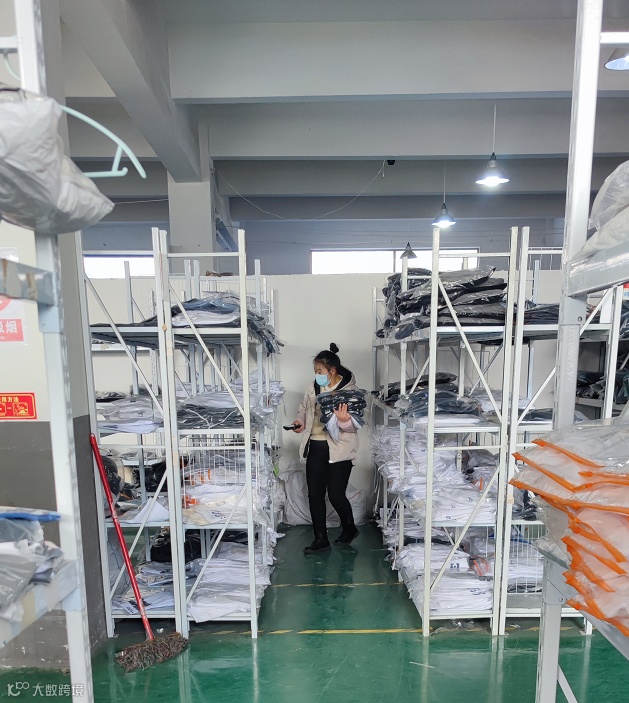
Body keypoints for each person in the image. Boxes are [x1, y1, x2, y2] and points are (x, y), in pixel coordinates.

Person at [290, 343, 360, 554]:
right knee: (315, 495)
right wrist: (299, 422)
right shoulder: (313, 388)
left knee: (336, 494)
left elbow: (354, 426)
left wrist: (344, 420)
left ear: (332, 371)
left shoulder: (350, 392)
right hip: (315, 446)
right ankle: (320, 539)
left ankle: (349, 527)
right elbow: (303, 409)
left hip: (340, 450)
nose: (317, 375)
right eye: (315, 371)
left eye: (320, 371)